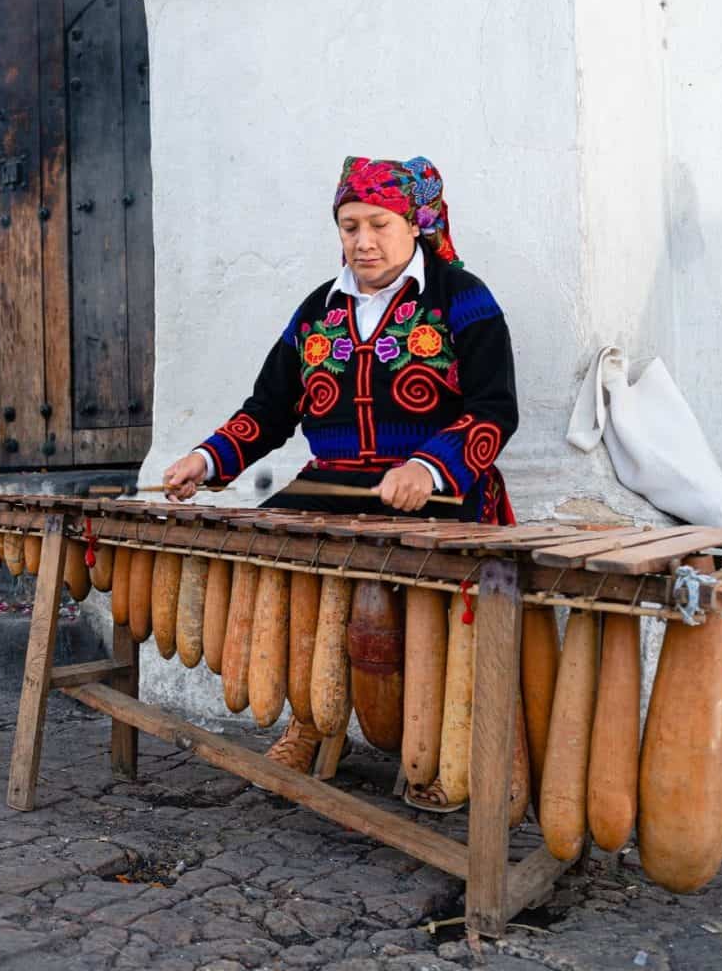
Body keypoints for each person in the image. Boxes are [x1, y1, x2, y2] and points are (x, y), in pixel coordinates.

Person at [164, 155, 518, 787]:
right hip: (330, 486)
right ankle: (310, 716)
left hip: (435, 493)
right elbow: (269, 409)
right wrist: (207, 458)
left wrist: (428, 466)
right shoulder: (317, 312)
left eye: (379, 224)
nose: (364, 241)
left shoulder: (461, 298)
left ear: (413, 224)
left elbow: (496, 409)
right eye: (350, 226)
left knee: (421, 610)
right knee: (266, 558)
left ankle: (432, 744)